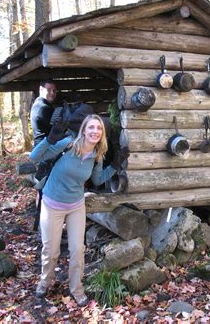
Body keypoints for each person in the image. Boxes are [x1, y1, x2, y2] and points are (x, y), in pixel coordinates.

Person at [30, 113, 125, 306]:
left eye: (99, 128)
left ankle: (76, 289)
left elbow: (97, 180)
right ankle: (45, 281)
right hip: (52, 204)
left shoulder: (97, 156)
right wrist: (49, 140)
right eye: (91, 127)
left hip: (75, 206)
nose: (95, 131)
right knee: (51, 250)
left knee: (77, 249)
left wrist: (115, 165)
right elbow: (34, 157)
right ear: (83, 130)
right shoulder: (68, 144)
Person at [31, 79, 57, 146]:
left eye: (54, 90)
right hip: (44, 148)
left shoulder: (38, 103)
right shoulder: (43, 108)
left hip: (41, 145)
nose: (52, 93)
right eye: (48, 90)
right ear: (41, 90)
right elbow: (56, 129)